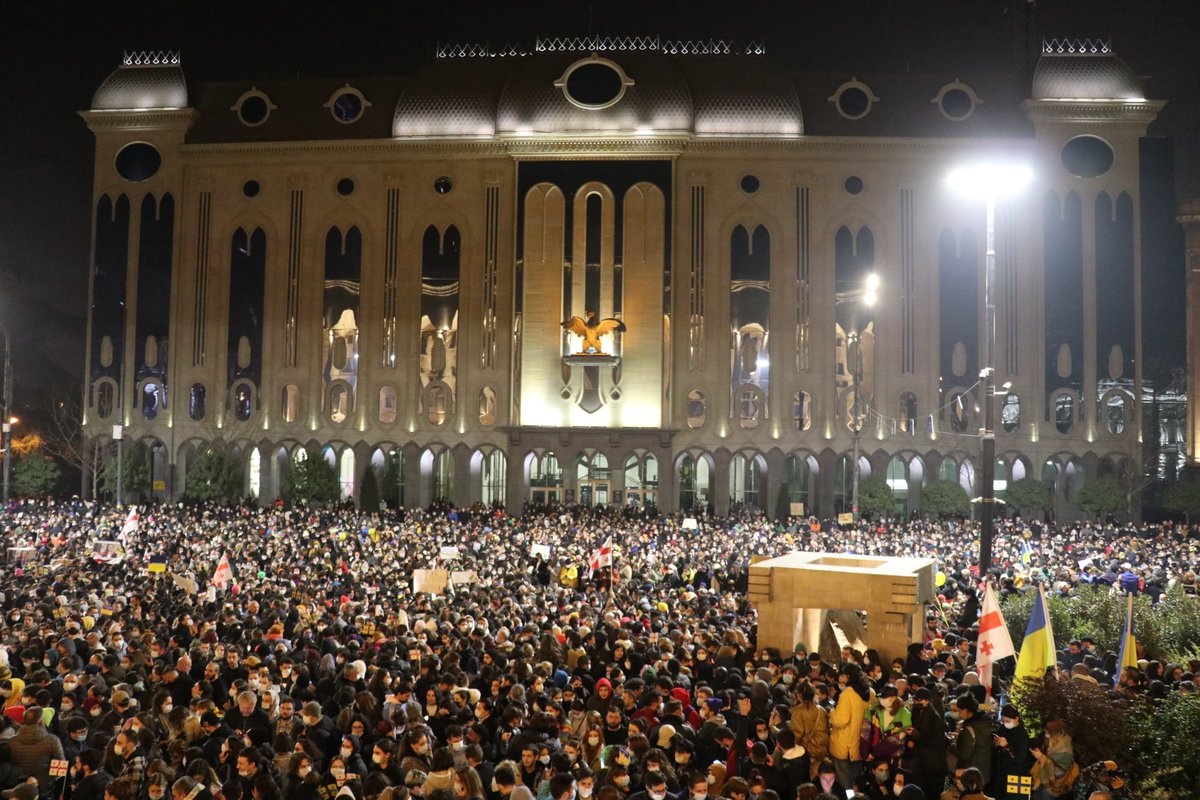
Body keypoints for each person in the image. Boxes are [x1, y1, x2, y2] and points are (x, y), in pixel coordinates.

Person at [829, 665, 874, 789]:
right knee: (857, 780)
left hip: (845, 745)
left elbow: (840, 720)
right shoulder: (871, 692)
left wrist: (832, 711)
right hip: (862, 744)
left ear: (848, 676)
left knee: (845, 782)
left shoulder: (848, 693)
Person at [8, 707, 63, 799]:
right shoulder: (53, 740)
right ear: (41, 722)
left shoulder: (12, 741)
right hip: (44, 789)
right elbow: (60, 771)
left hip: (19, 788)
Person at [988, 706, 1031, 800]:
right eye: (1003, 721)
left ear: (1016, 719)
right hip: (1001, 775)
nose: (1005, 724)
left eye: (1008, 721)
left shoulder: (1022, 735)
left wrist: (1006, 746)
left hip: (1016, 777)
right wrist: (996, 743)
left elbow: (1020, 758)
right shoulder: (1003, 729)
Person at [1030, 720, 1076, 800]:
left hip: (1051, 787)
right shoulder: (1054, 743)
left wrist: (1041, 757)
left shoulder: (1065, 749)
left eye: (1047, 732)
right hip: (1044, 783)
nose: (1046, 735)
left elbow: (1058, 771)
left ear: (1054, 732)